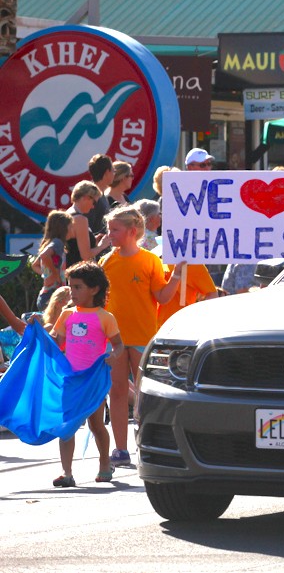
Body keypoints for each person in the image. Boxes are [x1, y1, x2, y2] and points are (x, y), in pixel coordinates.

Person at [99, 207, 185, 467]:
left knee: (146, 393)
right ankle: (121, 450)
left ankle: (147, 444)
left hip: (143, 335)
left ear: (132, 231)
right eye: (109, 228)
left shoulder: (149, 260)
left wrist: (178, 274)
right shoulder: (107, 261)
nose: (109, 234)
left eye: (114, 229)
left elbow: (162, 297)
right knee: (117, 392)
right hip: (114, 338)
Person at [43, 261, 120, 487]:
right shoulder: (67, 315)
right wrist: (38, 332)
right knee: (66, 426)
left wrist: (113, 356)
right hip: (71, 380)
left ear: (94, 289)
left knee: (96, 425)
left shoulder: (105, 317)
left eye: (77, 287)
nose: (72, 292)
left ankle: (105, 464)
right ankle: (67, 473)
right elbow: (57, 344)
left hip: (93, 380)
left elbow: (118, 345)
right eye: (70, 286)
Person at [65, 181, 109, 267]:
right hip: (77, 272)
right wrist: (102, 246)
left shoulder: (67, 214)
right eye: (94, 203)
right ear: (86, 198)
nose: (93, 207)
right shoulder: (80, 219)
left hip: (67, 270)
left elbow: (73, 245)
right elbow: (85, 256)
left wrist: (92, 241)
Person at [34, 211, 71, 311]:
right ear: (62, 228)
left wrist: (47, 274)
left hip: (45, 294)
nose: (71, 229)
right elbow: (44, 255)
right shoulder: (57, 243)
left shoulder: (49, 243)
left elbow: (35, 265)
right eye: (69, 226)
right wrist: (55, 274)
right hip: (52, 294)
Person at [84, 154, 114, 235]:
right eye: (113, 170)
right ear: (107, 172)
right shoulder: (92, 197)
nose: (114, 174)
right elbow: (87, 228)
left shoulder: (101, 194)